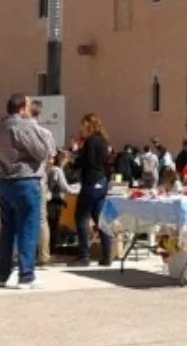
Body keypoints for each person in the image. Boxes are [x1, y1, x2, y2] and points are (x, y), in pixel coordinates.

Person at [0, 93, 55, 289]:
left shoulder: (0, 126)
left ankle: (2, 274)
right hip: (26, 180)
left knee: (7, 230)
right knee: (28, 227)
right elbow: (41, 152)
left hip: (5, 181)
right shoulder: (24, 125)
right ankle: (26, 275)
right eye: (28, 106)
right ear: (22, 108)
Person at [72, 112, 112, 266]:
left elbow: (85, 161)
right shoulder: (103, 140)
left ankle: (84, 255)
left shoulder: (90, 141)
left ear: (88, 124)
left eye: (83, 125)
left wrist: (74, 158)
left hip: (91, 181)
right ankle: (107, 255)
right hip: (102, 181)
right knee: (100, 219)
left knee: (81, 217)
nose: (81, 129)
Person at [46, 150, 79, 255]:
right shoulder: (57, 171)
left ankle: (46, 250)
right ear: (62, 159)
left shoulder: (49, 169)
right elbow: (65, 188)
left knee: (50, 226)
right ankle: (50, 251)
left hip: (49, 201)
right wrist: (78, 188)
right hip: (55, 202)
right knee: (53, 228)